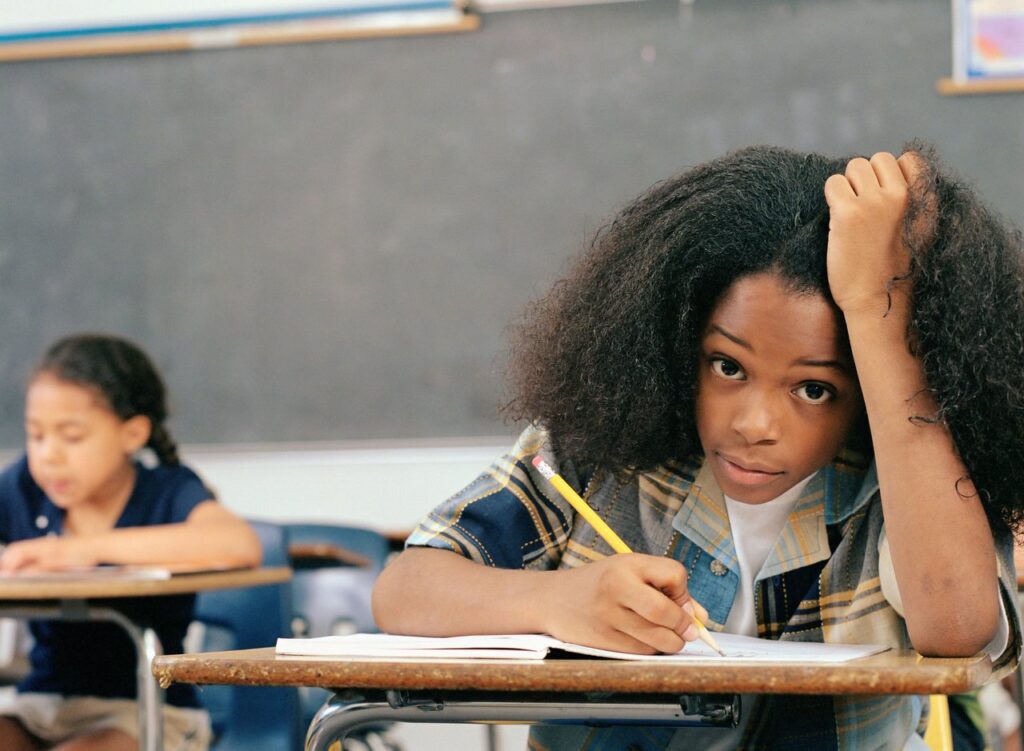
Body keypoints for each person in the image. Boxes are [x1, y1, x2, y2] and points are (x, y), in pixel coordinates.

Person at [372, 145, 1024, 749]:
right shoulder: (606, 447)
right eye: (728, 366)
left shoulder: (903, 484)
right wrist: (559, 604)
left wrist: (881, 311)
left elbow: (958, 627)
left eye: (815, 388)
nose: (755, 422)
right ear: (683, 343)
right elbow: (405, 589)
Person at [0, 333, 263, 751]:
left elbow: (239, 543)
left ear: (132, 434)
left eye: (71, 437)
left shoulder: (166, 491)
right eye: (36, 435)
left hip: (148, 710)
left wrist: (80, 550)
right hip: (40, 707)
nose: (49, 455)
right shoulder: (23, 487)